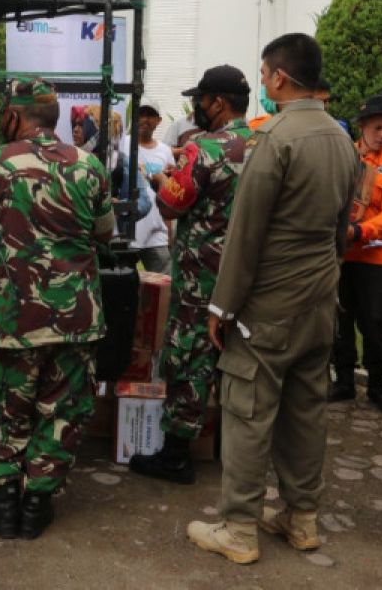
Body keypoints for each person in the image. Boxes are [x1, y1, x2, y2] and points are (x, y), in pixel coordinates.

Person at [185, 34, 358, 565]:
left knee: (247, 410)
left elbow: (246, 232)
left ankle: (239, 528)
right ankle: (301, 518)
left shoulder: (276, 138)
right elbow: (341, 230)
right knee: (306, 411)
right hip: (319, 298)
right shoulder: (340, 138)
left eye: (264, 76)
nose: (262, 84)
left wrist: (221, 306)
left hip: (269, 304)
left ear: (280, 78)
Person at [0, 77, 116, 540]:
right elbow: (105, 234)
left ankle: (3, 503)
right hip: (76, 314)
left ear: (16, 116)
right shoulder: (90, 165)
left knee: (7, 406)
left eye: (5, 113)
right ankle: (37, 503)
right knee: (62, 409)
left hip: (16, 318)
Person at [128, 65, 251, 484]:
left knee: (189, 358)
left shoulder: (206, 148)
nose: (196, 107)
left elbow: (171, 205)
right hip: (251, 275)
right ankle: (237, 452)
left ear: (217, 103)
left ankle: (176, 454)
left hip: (204, 274)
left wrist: (163, 179)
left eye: (200, 100)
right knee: (240, 360)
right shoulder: (265, 145)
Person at [329, 95, 382, 416]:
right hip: (340, 258)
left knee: (376, 325)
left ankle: (378, 385)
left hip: (374, 259)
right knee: (340, 322)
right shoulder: (343, 156)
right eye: (378, 127)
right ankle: (344, 380)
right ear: (362, 126)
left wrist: (359, 232)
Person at [133, 98, 176, 272]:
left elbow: (170, 192)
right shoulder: (123, 144)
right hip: (128, 232)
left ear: (158, 121)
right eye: (141, 114)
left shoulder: (165, 151)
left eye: (150, 115)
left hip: (156, 233)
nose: (145, 119)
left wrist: (169, 229)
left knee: (162, 287)